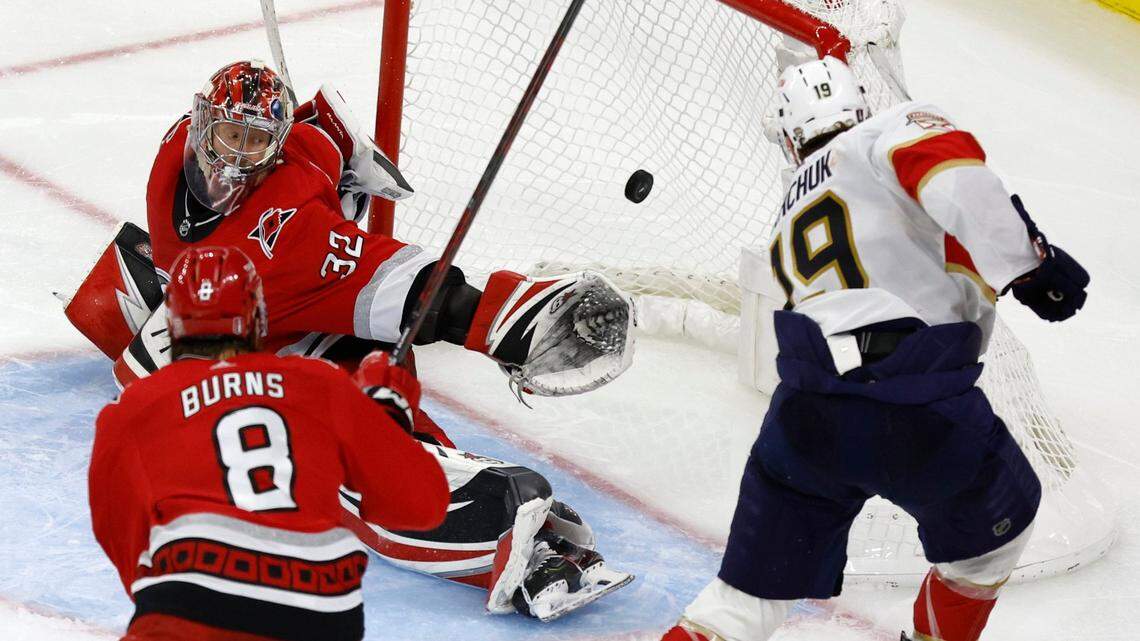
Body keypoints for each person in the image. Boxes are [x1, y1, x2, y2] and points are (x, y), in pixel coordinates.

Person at [68, 60, 635, 620]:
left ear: (276, 149)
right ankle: (484, 518)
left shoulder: (290, 232)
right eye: (229, 134)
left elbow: (417, 292)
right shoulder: (178, 153)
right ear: (200, 122)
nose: (236, 156)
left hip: (300, 322)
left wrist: (508, 321)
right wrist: (341, 148)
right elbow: (324, 131)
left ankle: (497, 529)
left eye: (256, 142)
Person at [661, 56, 1089, 641]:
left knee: (742, 604)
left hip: (804, 417)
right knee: (992, 542)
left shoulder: (789, 210)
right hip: (918, 406)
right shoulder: (889, 130)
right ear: (860, 106)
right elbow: (956, 181)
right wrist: (1030, 263)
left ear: (790, 135)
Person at [89, 246, 450, 641]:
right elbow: (419, 507)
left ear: (170, 326)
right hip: (321, 612)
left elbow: (121, 535)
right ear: (259, 320)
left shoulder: (134, 408)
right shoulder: (320, 383)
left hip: (192, 603)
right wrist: (389, 414)